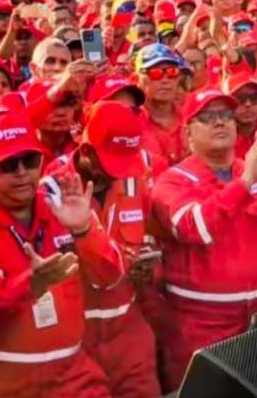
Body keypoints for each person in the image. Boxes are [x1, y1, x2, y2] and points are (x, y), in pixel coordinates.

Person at [0, 107, 123, 396]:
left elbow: (110, 278)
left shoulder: (62, 206)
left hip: (71, 373)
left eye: (29, 160)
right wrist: (31, 285)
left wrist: (84, 232)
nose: (21, 172)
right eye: (7, 164)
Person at [150, 89, 257, 390]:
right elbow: (195, 227)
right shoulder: (173, 180)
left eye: (226, 116)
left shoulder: (256, 169)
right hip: (200, 322)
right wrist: (245, 181)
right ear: (187, 133)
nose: (220, 122)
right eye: (207, 117)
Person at [42, 100, 163, 397]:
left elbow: (152, 236)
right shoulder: (50, 192)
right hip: (76, 342)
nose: (119, 173)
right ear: (86, 151)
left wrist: (150, 267)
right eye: (112, 163)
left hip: (128, 334)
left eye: (126, 161)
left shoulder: (135, 180)